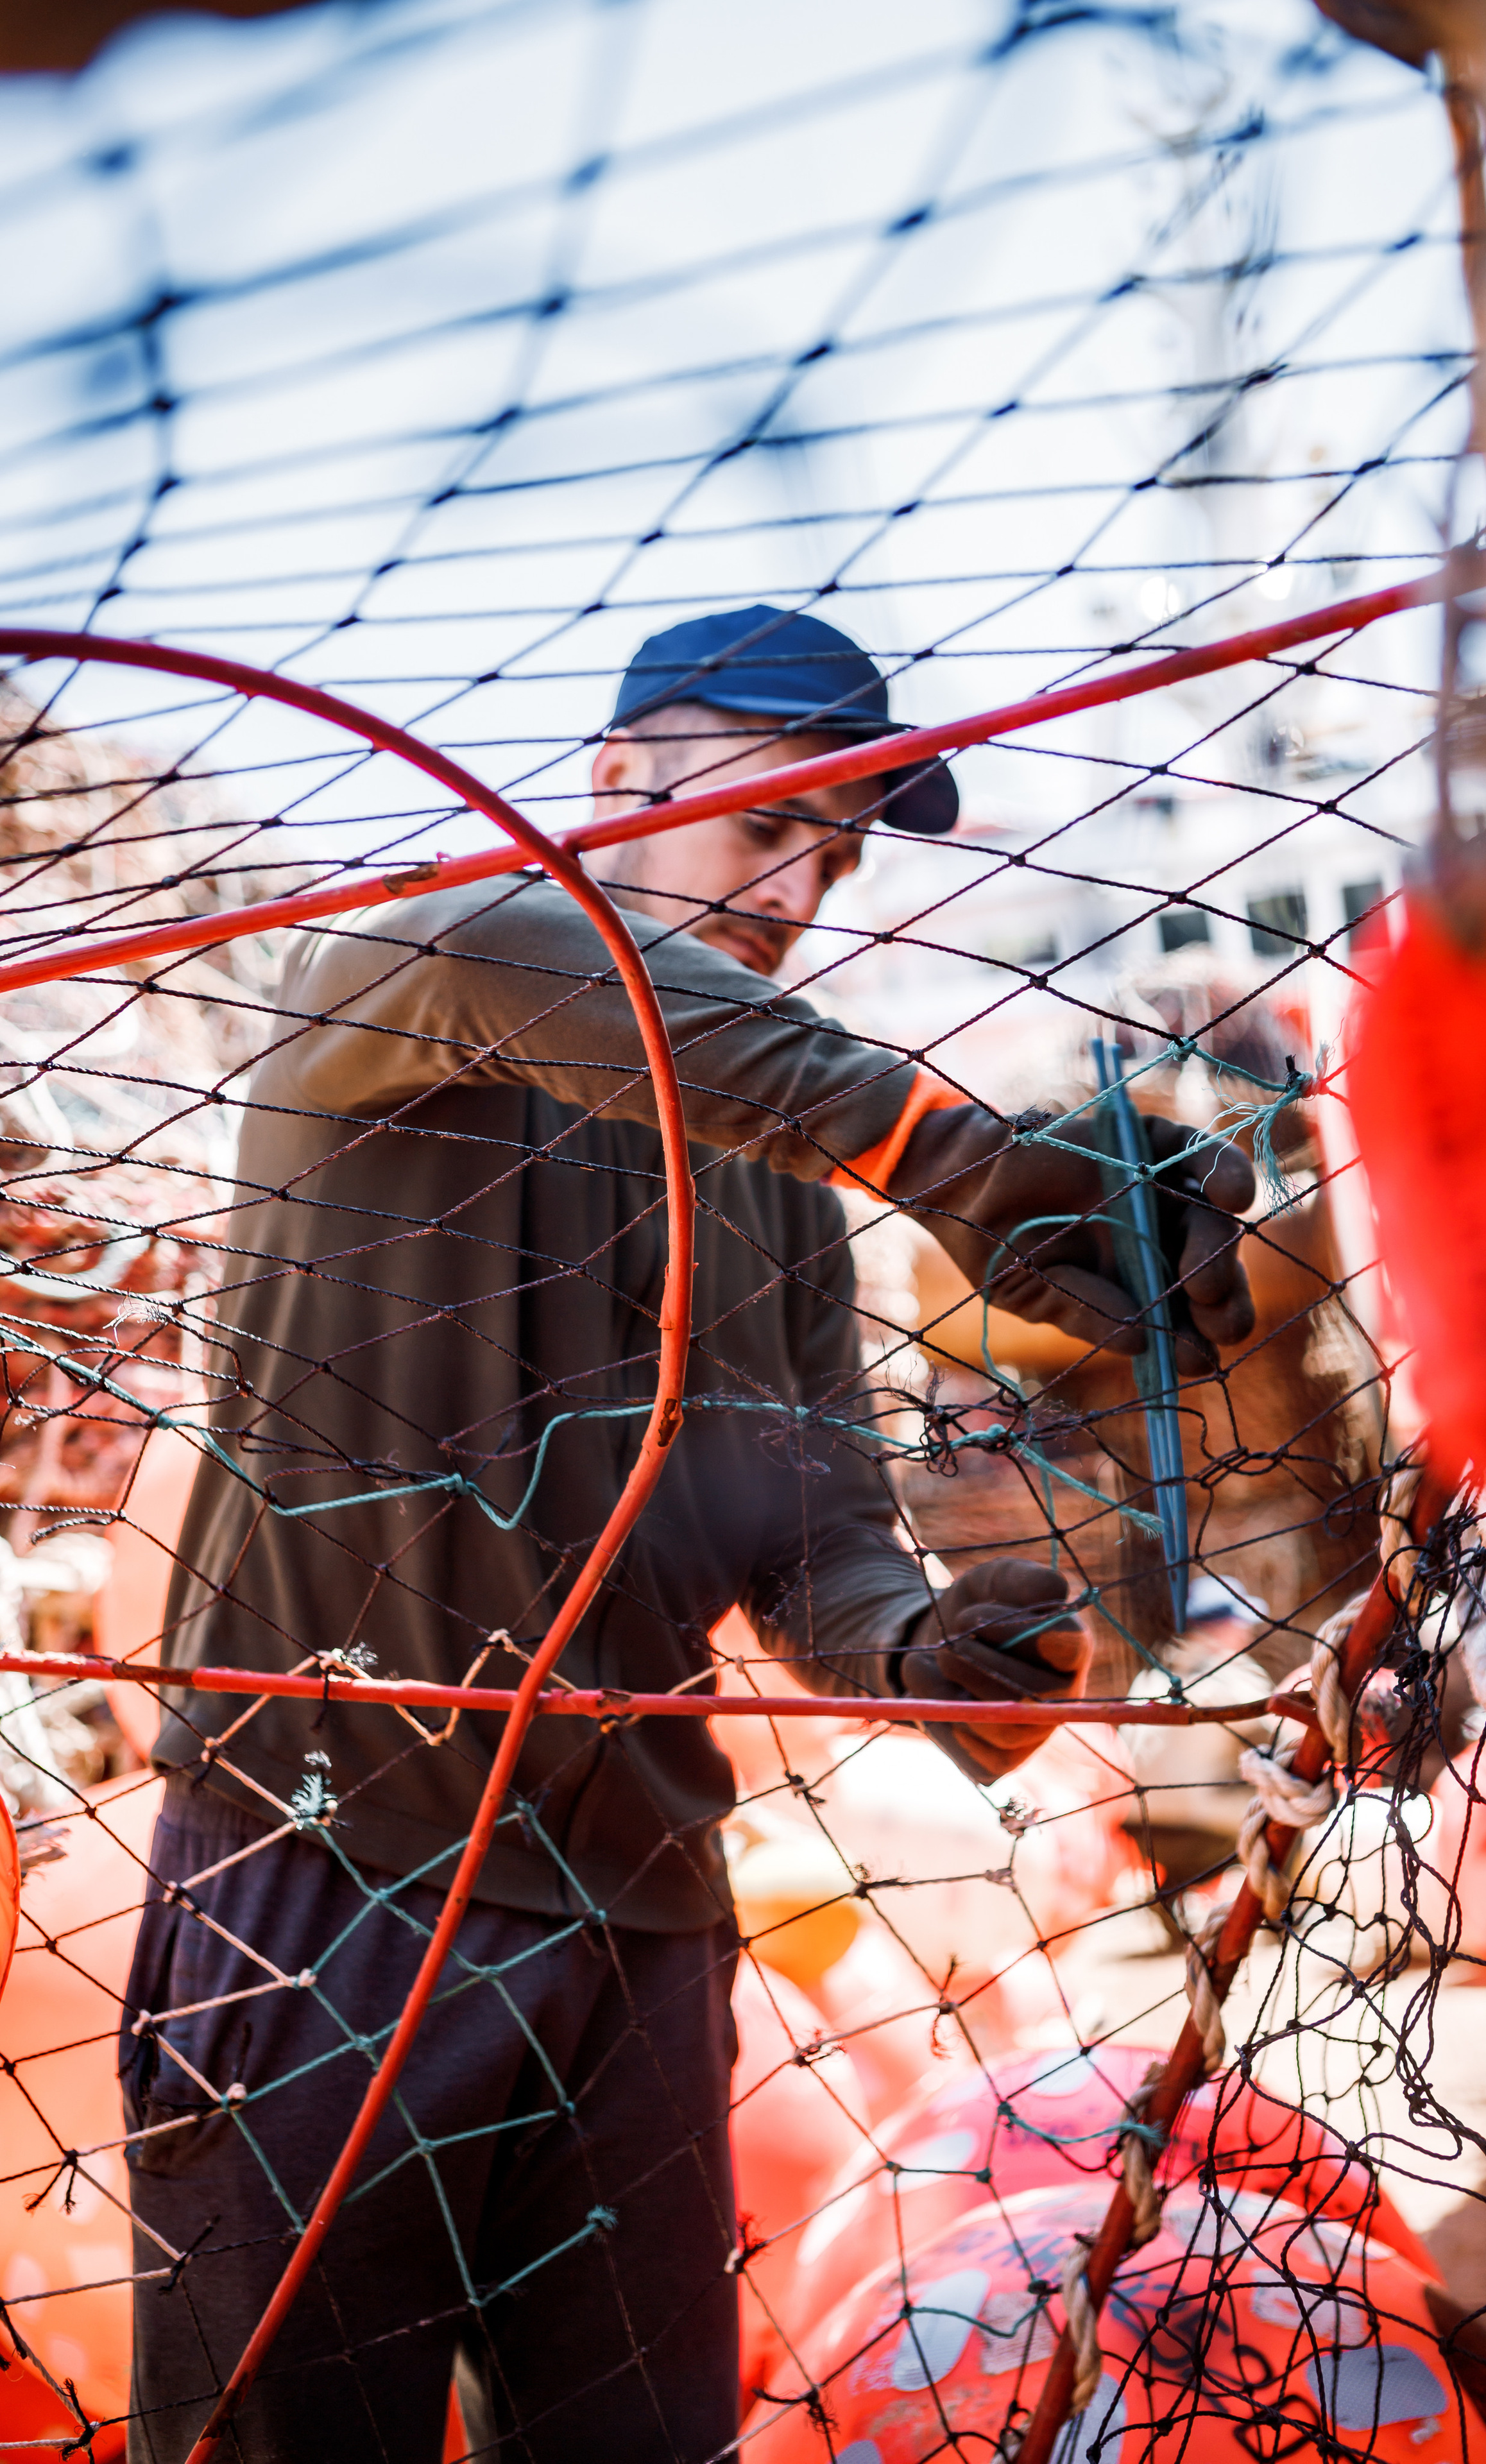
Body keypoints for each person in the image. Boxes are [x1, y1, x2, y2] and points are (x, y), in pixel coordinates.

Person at [120, 604, 1255, 2461]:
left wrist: (923, 1648)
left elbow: (806, 1532)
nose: (807, 879)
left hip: (642, 1923)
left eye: (844, 849)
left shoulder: (786, 1178)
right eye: (771, 823)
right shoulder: (409, 962)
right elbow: (539, 965)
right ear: (620, 781)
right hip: (327, 1882)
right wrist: (957, 1153)